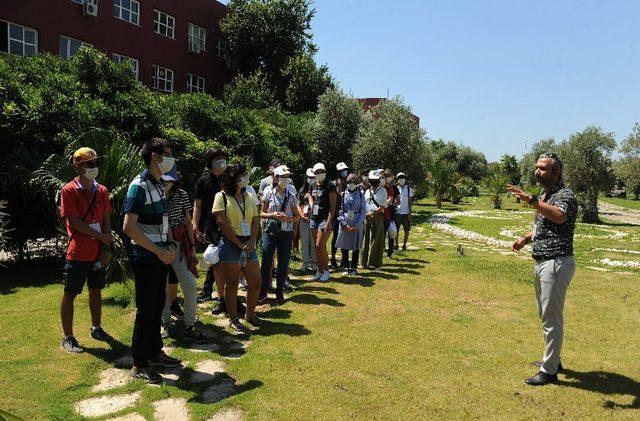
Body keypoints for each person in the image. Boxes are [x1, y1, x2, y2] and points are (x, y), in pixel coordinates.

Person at [508, 153, 578, 386]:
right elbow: (543, 226)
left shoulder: (564, 195)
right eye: (536, 168)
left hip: (556, 263)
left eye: (543, 169)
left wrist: (532, 201)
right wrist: (525, 239)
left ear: (556, 172)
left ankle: (549, 371)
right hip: (542, 261)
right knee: (545, 315)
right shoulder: (546, 195)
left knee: (551, 319)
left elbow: (558, 217)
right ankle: (553, 360)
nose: (537, 172)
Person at [123, 137, 182, 384]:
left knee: (157, 305)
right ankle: (139, 363)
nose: (170, 158)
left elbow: (161, 222)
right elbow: (129, 227)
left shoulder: (158, 184)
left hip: (159, 255)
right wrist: (158, 251)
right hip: (146, 257)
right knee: (146, 309)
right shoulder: (138, 185)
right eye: (166, 153)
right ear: (154, 157)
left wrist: (166, 248)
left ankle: (155, 351)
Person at [59, 147, 113, 353]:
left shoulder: (102, 190)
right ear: (78, 166)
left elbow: (106, 217)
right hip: (79, 251)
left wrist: (105, 246)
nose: (94, 167)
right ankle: (68, 336)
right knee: (70, 293)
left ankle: (96, 327)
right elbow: (74, 222)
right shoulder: (69, 190)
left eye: (95, 163)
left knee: (96, 290)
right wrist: (101, 237)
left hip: (97, 251)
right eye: (89, 164)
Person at [213, 163, 262, 333]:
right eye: (243, 174)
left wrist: (251, 240)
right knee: (232, 283)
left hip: (248, 244)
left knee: (256, 282)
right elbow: (221, 221)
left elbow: (255, 219)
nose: (246, 177)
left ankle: (249, 314)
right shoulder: (221, 196)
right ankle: (233, 317)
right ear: (233, 177)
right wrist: (237, 242)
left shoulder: (248, 195)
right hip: (230, 244)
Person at [160, 169, 206, 343]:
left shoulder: (182, 195)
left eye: (169, 180)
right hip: (159, 244)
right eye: (164, 180)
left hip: (179, 243)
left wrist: (192, 247)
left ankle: (189, 324)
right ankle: (166, 321)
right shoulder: (153, 192)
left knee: (189, 283)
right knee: (162, 285)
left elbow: (188, 221)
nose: (166, 183)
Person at [259, 165, 301, 304]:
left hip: (286, 233)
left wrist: (286, 219)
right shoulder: (268, 192)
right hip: (270, 232)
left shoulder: (291, 195)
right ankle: (263, 291)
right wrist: (272, 214)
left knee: (283, 264)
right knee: (266, 263)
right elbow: (261, 213)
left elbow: (297, 217)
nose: (286, 179)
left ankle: (279, 292)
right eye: (283, 177)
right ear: (276, 178)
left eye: (287, 177)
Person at [309, 163, 337, 282]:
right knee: (317, 247)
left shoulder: (330, 185)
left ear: (325, 171)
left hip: (324, 218)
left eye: (321, 171)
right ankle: (319, 271)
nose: (319, 173)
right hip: (314, 218)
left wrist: (328, 222)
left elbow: (333, 206)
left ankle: (326, 271)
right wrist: (311, 203)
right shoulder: (312, 184)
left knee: (319, 245)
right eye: (317, 172)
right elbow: (309, 194)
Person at [335, 173, 367, 275]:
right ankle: (345, 266)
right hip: (345, 222)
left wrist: (358, 224)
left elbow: (363, 210)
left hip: (357, 221)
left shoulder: (361, 194)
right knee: (344, 245)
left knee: (356, 244)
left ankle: (354, 267)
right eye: (349, 182)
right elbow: (339, 210)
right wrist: (343, 224)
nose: (351, 184)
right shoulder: (343, 194)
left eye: (353, 182)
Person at [361, 170, 387, 270]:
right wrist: (365, 214)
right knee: (365, 240)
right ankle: (364, 262)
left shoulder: (383, 191)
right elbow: (364, 204)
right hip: (367, 218)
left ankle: (377, 263)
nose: (374, 181)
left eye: (375, 180)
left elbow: (383, 206)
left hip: (378, 218)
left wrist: (373, 213)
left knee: (377, 241)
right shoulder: (367, 191)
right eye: (372, 180)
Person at [297, 168, 317, 272]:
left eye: (313, 177)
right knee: (304, 241)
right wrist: (301, 215)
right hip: (304, 219)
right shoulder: (302, 190)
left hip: (315, 219)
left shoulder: (318, 189)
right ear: (306, 178)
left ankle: (314, 262)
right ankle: (305, 262)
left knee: (313, 241)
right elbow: (298, 205)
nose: (311, 179)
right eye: (310, 177)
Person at [331, 162, 349, 268]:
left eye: (345, 170)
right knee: (336, 236)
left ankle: (344, 259)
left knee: (344, 236)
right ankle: (333, 258)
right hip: (337, 214)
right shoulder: (334, 183)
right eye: (342, 170)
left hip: (346, 213)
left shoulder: (348, 182)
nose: (344, 172)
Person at [395, 172, 414, 251]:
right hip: (397, 212)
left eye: (402, 177)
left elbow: (410, 202)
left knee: (406, 229)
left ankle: (404, 245)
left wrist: (410, 213)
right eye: (399, 177)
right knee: (396, 230)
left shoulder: (409, 189)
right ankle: (396, 245)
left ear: (405, 179)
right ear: (397, 180)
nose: (401, 179)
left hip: (406, 213)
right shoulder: (395, 188)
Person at [382, 170, 400, 258]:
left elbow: (398, 201)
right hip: (381, 213)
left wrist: (391, 204)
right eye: (386, 176)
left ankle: (390, 252)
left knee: (391, 232)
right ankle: (381, 250)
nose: (388, 178)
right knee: (382, 233)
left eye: (389, 176)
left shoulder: (394, 188)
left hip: (391, 212)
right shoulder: (380, 188)